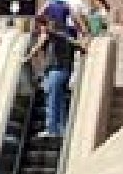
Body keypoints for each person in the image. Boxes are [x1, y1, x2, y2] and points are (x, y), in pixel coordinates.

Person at [29, 10, 85, 139]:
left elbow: (41, 42)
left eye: (41, 26)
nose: (40, 29)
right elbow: (76, 44)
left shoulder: (53, 35)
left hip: (56, 71)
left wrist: (28, 56)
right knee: (59, 100)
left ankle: (52, 129)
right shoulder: (63, 36)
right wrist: (83, 47)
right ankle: (63, 129)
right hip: (62, 71)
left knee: (52, 100)